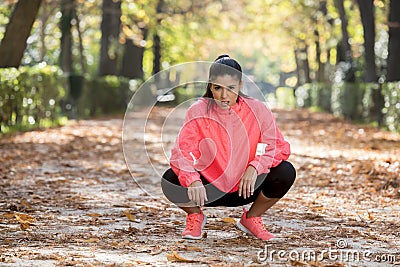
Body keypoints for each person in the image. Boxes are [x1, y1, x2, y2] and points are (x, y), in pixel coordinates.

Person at [161, 55, 296, 240]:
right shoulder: (197, 111)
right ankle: (195, 215)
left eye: (231, 88)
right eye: (218, 88)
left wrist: (255, 166)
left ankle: (252, 217)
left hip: (246, 187)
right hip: (208, 189)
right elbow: (181, 152)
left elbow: (276, 146)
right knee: (169, 179)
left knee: (286, 171)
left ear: (240, 85)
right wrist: (193, 179)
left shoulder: (258, 110)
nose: (224, 96)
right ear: (210, 86)